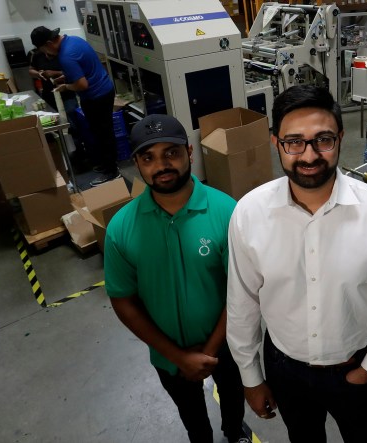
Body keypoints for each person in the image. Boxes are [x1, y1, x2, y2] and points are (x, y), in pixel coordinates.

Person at [226, 85, 367, 443]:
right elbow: (243, 303)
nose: (309, 154)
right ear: (276, 143)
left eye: (323, 140)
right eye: (294, 142)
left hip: (356, 365)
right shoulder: (249, 214)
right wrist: (251, 377)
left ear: (341, 139)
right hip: (284, 368)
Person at [104, 114, 249, 443]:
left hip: (227, 344)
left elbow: (241, 291)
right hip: (167, 354)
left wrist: (210, 352)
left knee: (232, 395)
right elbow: (123, 300)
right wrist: (178, 357)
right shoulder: (122, 229)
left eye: (171, 152)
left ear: (189, 153)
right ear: (137, 164)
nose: (161, 165)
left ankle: (233, 431)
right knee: (191, 414)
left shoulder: (227, 212)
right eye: (148, 157)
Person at [31, 26, 119, 187]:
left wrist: (66, 87)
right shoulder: (74, 40)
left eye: (44, 49)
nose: (45, 54)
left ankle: (112, 172)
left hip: (96, 96)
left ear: (49, 43)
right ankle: (107, 164)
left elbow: (82, 84)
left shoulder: (66, 56)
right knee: (101, 131)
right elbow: (83, 69)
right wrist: (65, 77)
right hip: (105, 89)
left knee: (103, 133)